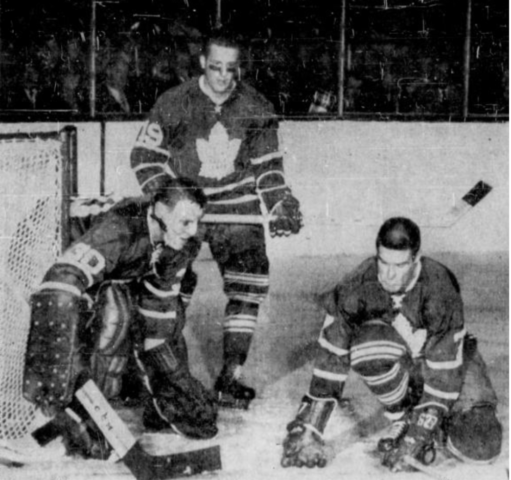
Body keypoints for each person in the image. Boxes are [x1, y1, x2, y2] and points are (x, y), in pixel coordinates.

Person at [130, 29, 303, 409]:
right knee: (167, 284)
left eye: (230, 69)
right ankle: (152, 372)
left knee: (248, 283)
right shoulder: (175, 102)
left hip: (238, 206)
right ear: (202, 64)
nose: (223, 77)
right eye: (215, 68)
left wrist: (278, 204)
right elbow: (144, 156)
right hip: (188, 206)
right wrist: (171, 203)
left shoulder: (256, 106)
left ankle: (231, 376)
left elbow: (268, 170)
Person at [281, 217, 502, 471]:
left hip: (452, 364)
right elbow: (332, 355)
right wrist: (309, 429)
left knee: (481, 447)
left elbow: (445, 370)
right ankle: (404, 413)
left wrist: (418, 434)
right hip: (409, 363)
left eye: (399, 265)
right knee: (368, 347)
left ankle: (436, 420)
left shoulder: (439, 286)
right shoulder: (359, 282)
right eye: (383, 262)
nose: (388, 274)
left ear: (415, 259)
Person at [23, 178, 218, 459]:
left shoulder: (181, 240)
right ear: (160, 211)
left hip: (108, 264)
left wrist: (173, 379)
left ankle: (92, 407)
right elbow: (59, 288)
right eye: (185, 222)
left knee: (164, 307)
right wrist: (55, 396)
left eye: (197, 222)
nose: (194, 231)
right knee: (108, 308)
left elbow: (158, 319)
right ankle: (47, 421)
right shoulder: (121, 229)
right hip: (40, 243)